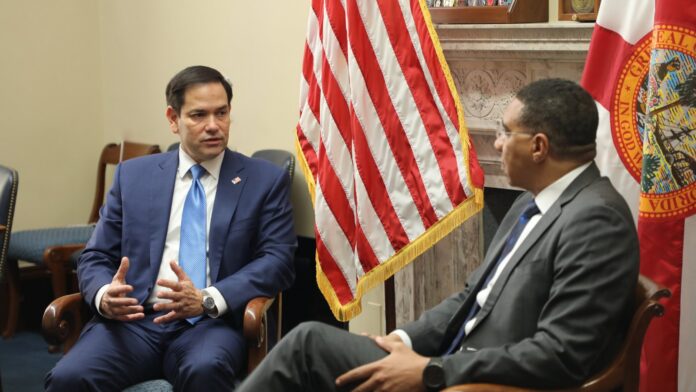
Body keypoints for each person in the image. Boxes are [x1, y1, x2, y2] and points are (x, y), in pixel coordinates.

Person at [237, 78, 639, 391]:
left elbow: (561, 354)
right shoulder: (531, 202)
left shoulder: (596, 221)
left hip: (478, 383)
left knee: (306, 347)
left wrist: (430, 370)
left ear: (538, 147)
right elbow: (471, 298)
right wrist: (400, 342)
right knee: (308, 345)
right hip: (448, 364)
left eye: (504, 132)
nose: (496, 143)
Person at [46, 65, 296, 391]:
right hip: (134, 322)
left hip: (209, 324)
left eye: (221, 113)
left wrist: (207, 298)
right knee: (69, 378)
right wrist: (106, 295)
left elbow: (278, 261)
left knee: (205, 370)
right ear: (173, 118)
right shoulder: (133, 176)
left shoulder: (263, 180)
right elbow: (95, 254)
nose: (213, 126)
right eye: (198, 115)